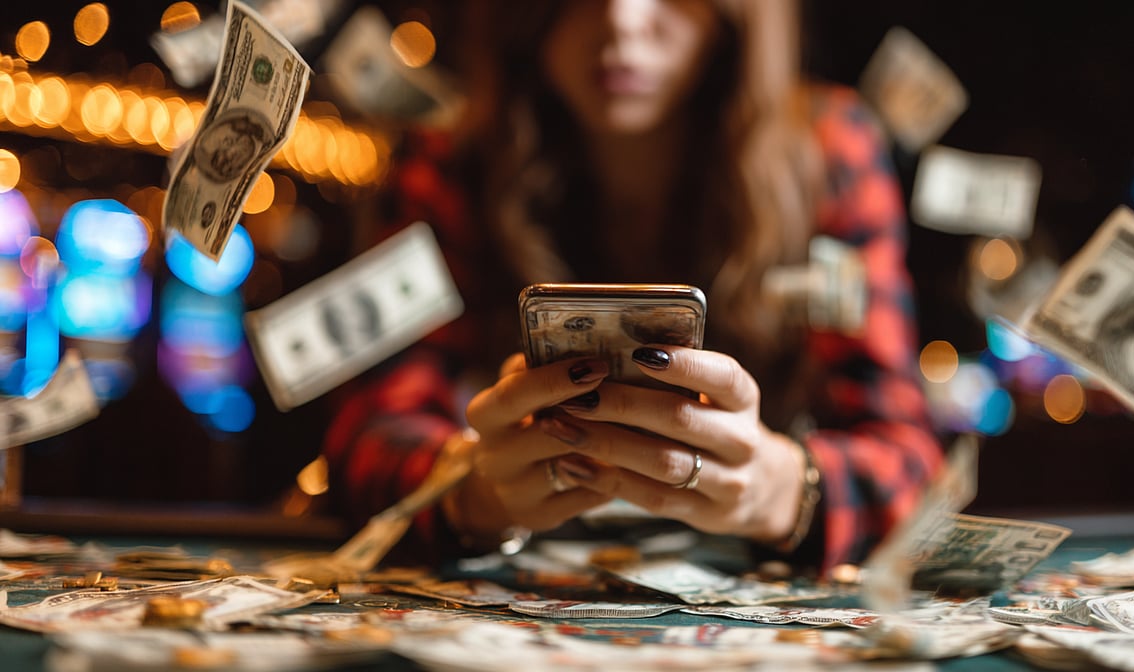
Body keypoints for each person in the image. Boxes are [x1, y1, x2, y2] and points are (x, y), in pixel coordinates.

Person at [321, 0, 943, 575]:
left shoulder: (831, 149)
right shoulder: (449, 159)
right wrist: (471, 495)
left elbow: (908, 464)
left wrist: (784, 489)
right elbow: (366, 437)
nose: (623, 22)